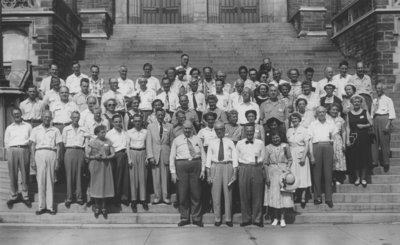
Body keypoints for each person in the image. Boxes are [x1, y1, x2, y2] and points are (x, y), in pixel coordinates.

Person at [170, 120, 206, 227]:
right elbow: (172, 157)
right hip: (181, 165)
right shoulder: (177, 140)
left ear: (192, 129)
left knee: (196, 193)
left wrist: (203, 170)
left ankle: (196, 218)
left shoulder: (197, 139)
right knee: (183, 193)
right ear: (182, 129)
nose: (187, 130)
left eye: (189, 128)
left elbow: (203, 155)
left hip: (195, 165)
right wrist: (173, 172)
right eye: (185, 128)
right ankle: (184, 217)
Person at [206, 121, 238, 227]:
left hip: (227, 166)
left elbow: (234, 158)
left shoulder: (230, 142)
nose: (219, 131)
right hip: (215, 166)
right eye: (217, 130)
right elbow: (208, 159)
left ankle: (228, 218)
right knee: (215, 194)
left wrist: (234, 173)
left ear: (224, 130)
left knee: (228, 193)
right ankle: (217, 218)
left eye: (221, 129)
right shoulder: (212, 142)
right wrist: (208, 174)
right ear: (215, 131)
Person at [30, 110, 62, 215]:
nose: (47, 119)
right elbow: (33, 146)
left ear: (51, 118)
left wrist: (57, 160)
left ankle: (50, 207)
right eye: (45, 117)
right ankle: (41, 206)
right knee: (40, 180)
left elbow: (58, 146)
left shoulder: (55, 130)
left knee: (50, 180)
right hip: (39, 153)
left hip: (51, 153)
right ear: (42, 117)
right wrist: (33, 160)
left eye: (49, 117)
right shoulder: (35, 129)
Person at [236, 124, 266, 227]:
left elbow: (263, 157)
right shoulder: (239, 143)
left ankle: (257, 219)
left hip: (257, 167)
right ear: (244, 132)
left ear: (254, 131)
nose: (249, 133)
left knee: (257, 194)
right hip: (244, 168)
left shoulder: (260, 143)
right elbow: (236, 158)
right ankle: (246, 219)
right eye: (247, 131)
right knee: (244, 194)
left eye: (251, 131)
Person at [4, 108, 32, 208]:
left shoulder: (28, 126)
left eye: (18, 113)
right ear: (12, 115)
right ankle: (13, 195)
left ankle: (25, 196)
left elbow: (31, 139)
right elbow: (6, 142)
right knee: (13, 174)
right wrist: (9, 152)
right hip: (12, 150)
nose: (17, 115)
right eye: (15, 114)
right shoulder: (9, 128)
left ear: (21, 114)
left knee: (25, 174)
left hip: (24, 149)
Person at [309, 106, 336, 208]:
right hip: (316, 146)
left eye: (323, 112)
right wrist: (311, 154)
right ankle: (317, 197)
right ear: (316, 113)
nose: (321, 114)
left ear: (326, 112)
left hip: (328, 146)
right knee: (316, 173)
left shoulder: (331, 123)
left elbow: (334, 138)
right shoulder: (312, 124)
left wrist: (334, 152)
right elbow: (310, 141)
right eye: (319, 112)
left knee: (328, 174)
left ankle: (328, 198)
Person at [264, 132, 294, 227]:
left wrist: (288, 169)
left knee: (282, 196)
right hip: (272, 172)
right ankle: (275, 218)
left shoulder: (285, 146)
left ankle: (282, 218)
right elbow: (265, 163)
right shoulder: (268, 147)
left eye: (277, 137)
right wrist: (267, 177)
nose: (275, 139)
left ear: (280, 137)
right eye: (273, 138)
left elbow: (290, 159)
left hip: (283, 172)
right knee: (274, 196)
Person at [86, 125, 115, 218]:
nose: (104, 134)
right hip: (96, 165)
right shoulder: (92, 142)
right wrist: (95, 157)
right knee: (96, 186)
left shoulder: (108, 141)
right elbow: (87, 155)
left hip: (106, 165)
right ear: (97, 133)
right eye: (102, 132)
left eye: (105, 132)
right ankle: (97, 207)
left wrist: (108, 157)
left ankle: (104, 207)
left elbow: (113, 153)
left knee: (105, 185)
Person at [62, 111, 89, 207]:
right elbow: (64, 143)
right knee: (69, 175)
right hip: (69, 151)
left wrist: (86, 155)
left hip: (80, 151)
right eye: (74, 117)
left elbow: (86, 143)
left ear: (79, 118)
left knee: (79, 175)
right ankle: (69, 197)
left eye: (77, 117)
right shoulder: (66, 129)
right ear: (71, 118)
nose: (75, 119)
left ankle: (79, 197)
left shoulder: (83, 129)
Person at [147, 108, 173, 204]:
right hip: (155, 154)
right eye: (159, 115)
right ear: (156, 115)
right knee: (156, 176)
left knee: (165, 176)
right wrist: (150, 156)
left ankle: (165, 197)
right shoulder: (150, 126)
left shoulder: (170, 126)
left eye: (162, 115)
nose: (160, 116)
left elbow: (171, 142)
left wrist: (171, 156)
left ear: (164, 115)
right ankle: (157, 197)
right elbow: (149, 142)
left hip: (166, 153)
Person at [346, 95, 373, 187]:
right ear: (352, 103)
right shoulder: (349, 113)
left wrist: (363, 126)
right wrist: (348, 139)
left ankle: (363, 177)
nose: (356, 103)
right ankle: (357, 178)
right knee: (355, 158)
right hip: (354, 138)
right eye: (355, 102)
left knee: (364, 157)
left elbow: (371, 123)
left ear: (361, 103)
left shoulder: (365, 112)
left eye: (358, 102)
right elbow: (347, 127)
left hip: (364, 137)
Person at [286, 112, 311, 208]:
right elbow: (288, 144)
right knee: (293, 175)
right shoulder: (289, 130)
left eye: (296, 118)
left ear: (299, 120)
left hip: (301, 153)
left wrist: (304, 156)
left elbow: (307, 144)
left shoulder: (304, 130)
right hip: (291, 153)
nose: (294, 120)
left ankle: (303, 196)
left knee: (303, 175)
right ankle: (295, 195)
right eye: (292, 119)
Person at [106, 114, 130, 205]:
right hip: (116, 156)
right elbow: (108, 147)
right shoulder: (109, 134)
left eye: (119, 121)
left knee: (125, 177)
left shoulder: (124, 132)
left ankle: (124, 197)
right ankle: (115, 198)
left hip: (125, 155)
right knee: (117, 177)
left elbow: (127, 145)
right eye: (116, 122)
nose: (118, 123)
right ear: (112, 123)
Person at [371, 82, 396, 171]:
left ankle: (386, 162)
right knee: (374, 141)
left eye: (380, 88)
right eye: (377, 88)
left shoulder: (388, 100)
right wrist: (371, 123)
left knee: (384, 141)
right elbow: (371, 113)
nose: (378, 90)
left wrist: (388, 124)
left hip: (384, 118)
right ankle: (374, 161)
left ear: (383, 89)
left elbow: (392, 113)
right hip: (375, 119)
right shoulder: (374, 100)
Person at [127, 113, 149, 211]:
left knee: (142, 177)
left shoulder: (146, 132)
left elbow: (148, 145)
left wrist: (147, 157)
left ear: (142, 121)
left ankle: (143, 199)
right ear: (133, 122)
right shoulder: (129, 132)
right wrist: (129, 159)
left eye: (139, 121)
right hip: (132, 152)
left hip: (143, 152)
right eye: (135, 121)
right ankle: (134, 199)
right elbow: (127, 146)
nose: (137, 123)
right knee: (133, 177)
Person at [328, 103, 347, 185]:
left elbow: (344, 131)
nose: (334, 111)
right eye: (333, 109)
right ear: (329, 110)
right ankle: (330, 178)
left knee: (338, 159)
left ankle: (338, 178)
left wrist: (344, 143)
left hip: (338, 140)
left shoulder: (341, 119)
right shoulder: (326, 119)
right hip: (328, 140)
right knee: (330, 158)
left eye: (336, 110)